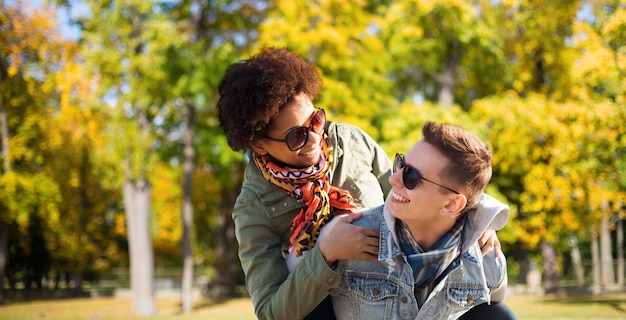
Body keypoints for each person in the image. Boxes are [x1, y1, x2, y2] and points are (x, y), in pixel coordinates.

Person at [216, 47, 506, 320]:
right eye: (296, 137)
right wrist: (326, 254)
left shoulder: (351, 142)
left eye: (315, 121)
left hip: (399, 287)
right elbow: (270, 311)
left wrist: (474, 217)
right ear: (261, 145)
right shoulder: (253, 207)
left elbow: (416, 189)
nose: (315, 139)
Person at [327, 121, 517, 319]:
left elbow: (494, 308)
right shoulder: (347, 237)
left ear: (452, 205)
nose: (393, 179)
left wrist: (483, 223)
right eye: (401, 164)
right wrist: (326, 254)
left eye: (411, 176)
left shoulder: (487, 260)